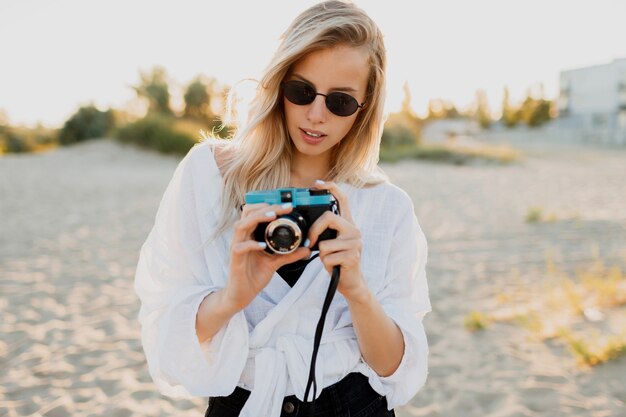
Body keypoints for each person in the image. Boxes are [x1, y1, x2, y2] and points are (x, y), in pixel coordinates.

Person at [133, 1, 431, 416]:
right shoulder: (210, 175)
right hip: (244, 400)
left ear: (364, 109)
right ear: (278, 85)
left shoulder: (387, 206)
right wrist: (233, 296)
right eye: (301, 91)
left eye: (340, 102)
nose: (315, 115)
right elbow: (167, 329)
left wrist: (357, 290)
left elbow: (395, 368)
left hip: (352, 404)